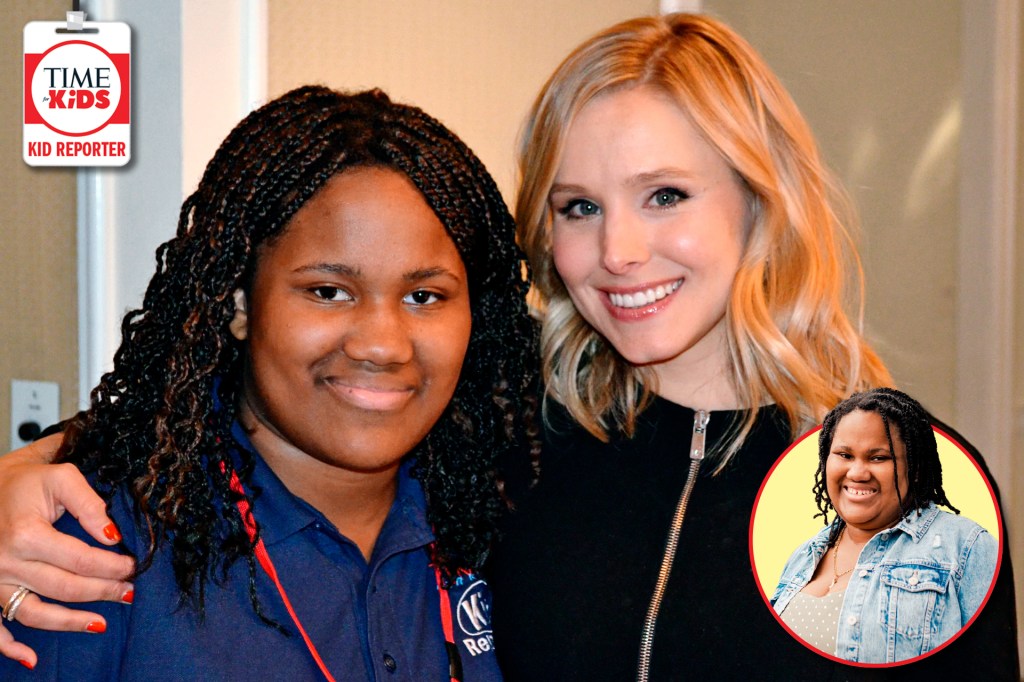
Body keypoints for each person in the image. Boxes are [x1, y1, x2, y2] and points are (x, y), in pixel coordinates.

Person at [0, 12, 1019, 680]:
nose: (620, 251)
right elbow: (227, 397)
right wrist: (31, 469)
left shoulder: (903, 478)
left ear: (761, 203)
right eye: (579, 205)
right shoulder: (507, 427)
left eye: (664, 194)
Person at [0, 85, 539, 679]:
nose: (382, 344)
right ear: (238, 305)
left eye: (424, 296)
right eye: (328, 292)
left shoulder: (502, 514)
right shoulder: (87, 553)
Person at [770, 388, 998, 664]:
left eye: (878, 458)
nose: (857, 473)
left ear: (914, 468)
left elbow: (991, 667)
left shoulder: (966, 545)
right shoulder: (804, 555)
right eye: (844, 454)